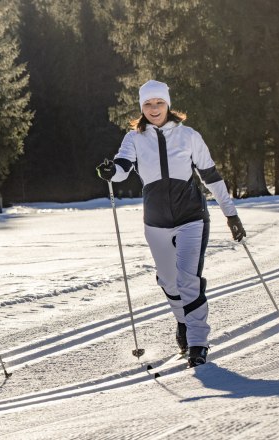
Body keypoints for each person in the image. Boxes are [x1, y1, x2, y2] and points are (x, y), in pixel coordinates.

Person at [96, 80, 246, 367]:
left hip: (191, 218)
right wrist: (110, 171)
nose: (154, 109)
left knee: (189, 280)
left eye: (159, 103)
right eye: (148, 104)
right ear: (142, 108)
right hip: (156, 222)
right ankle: (183, 322)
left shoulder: (188, 136)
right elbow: (122, 168)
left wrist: (230, 213)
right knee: (168, 280)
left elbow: (211, 176)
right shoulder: (134, 138)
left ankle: (197, 342)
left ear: (168, 104)